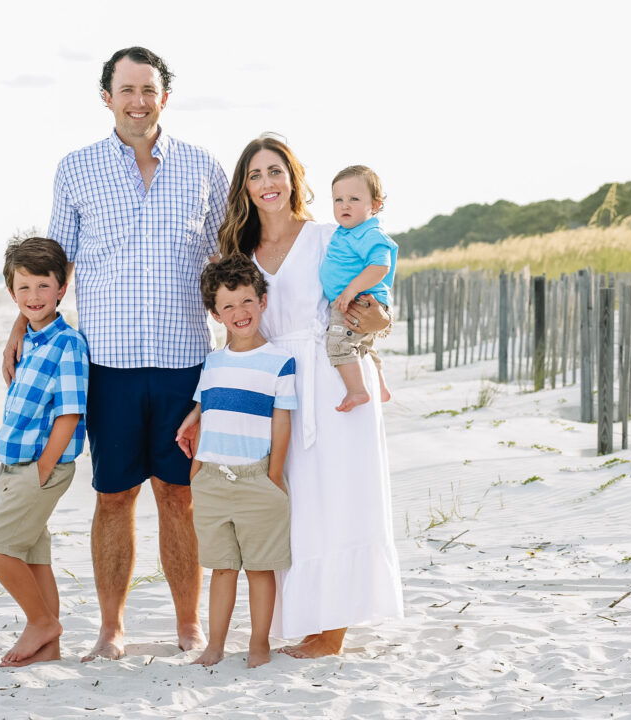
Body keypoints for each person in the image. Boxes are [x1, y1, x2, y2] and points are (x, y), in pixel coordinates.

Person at [2, 46, 228, 661]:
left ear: (164, 96)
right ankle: (112, 629)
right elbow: (52, 263)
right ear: (107, 96)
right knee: (114, 496)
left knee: (178, 496)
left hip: (185, 360)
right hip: (108, 365)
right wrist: (20, 323)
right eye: (126, 89)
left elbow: (223, 263)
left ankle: (189, 625)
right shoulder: (76, 169)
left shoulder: (204, 168)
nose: (138, 100)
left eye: (148, 89)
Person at [214, 135, 403, 657]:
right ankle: (309, 620)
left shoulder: (328, 236)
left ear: (292, 177)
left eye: (275, 171)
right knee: (294, 505)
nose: (267, 183)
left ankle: (333, 631)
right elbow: (235, 329)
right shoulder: (241, 253)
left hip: (333, 377)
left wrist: (376, 319)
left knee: (338, 499)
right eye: (255, 175)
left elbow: (377, 303)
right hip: (277, 384)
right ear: (245, 188)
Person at [175, 255, 296, 668]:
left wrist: (274, 476)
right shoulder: (212, 362)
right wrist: (197, 471)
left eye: (247, 301)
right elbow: (206, 412)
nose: (239, 313)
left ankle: (259, 645)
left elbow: (282, 423)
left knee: (260, 570)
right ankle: (215, 647)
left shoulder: (280, 362)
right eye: (227, 306)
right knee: (221, 569)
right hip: (210, 480)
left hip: (256, 480)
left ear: (262, 301)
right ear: (215, 314)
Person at [0, 237, 88, 667]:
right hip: (13, 461)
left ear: (61, 288)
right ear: (12, 294)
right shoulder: (28, 340)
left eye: (43, 286)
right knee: (33, 554)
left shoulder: (68, 344)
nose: (34, 296)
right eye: (24, 288)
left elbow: (69, 414)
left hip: (41, 467)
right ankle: (49, 649)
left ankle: (42, 623)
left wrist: (43, 470)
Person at [320, 165, 398, 411]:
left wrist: (350, 291)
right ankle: (381, 386)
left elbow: (379, 266)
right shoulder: (346, 232)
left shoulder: (370, 232)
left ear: (374, 206)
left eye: (354, 199)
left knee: (339, 344)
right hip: (354, 299)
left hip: (359, 301)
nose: (345, 205)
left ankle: (357, 390)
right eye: (338, 199)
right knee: (363, 345)